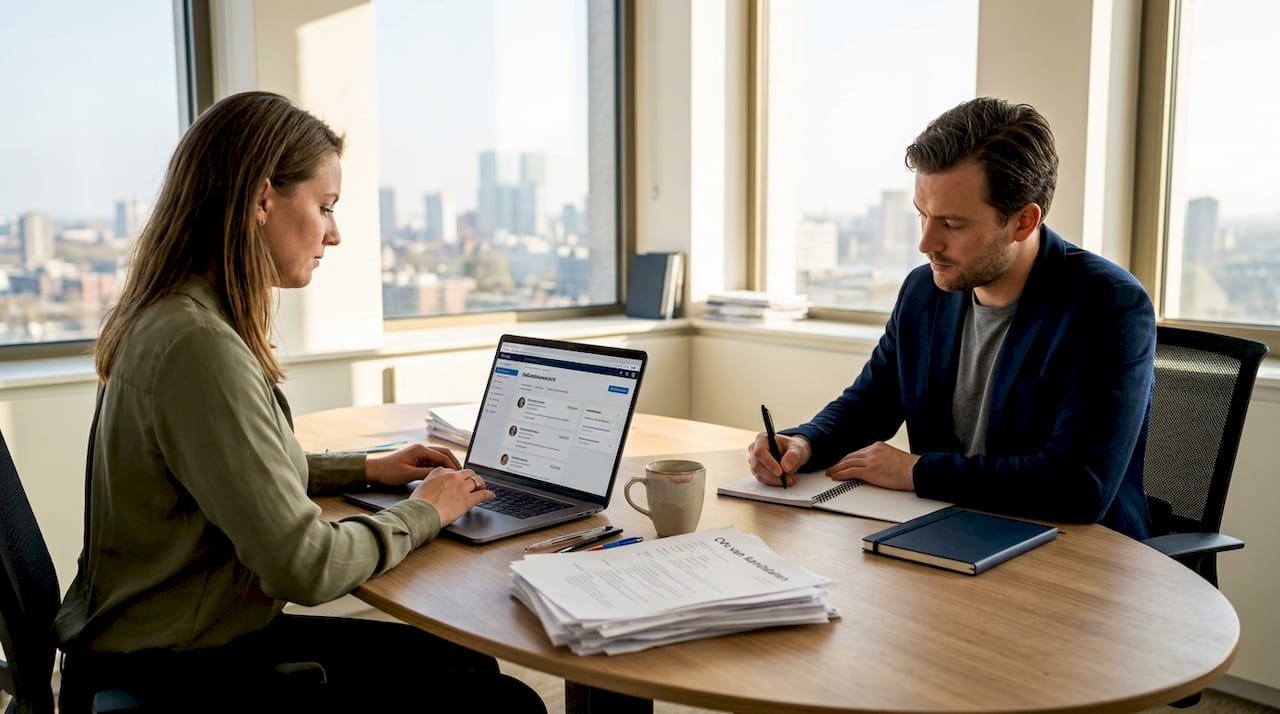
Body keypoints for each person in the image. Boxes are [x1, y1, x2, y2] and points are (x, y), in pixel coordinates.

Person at [54, 91, 546, 713]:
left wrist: (367, 468)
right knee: (500, 701)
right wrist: (426, 511)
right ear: (263, 199)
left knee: (471, 664)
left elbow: (228, 469)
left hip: (157, 641)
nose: (334, 235)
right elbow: (305, 568)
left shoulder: (173, 316)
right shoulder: (200, 346)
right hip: (178, 674)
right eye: (325, 206)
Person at [748, 97, 1156, 540]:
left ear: (1023, 221)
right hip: (950, 534)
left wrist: (916, 471)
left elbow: (1078, 486)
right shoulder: (925, 291)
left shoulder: (1106, 305)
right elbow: (871, 404)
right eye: (922, 216)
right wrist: (806, 442)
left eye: (952, 225)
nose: (925, 243)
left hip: (1076, 555)